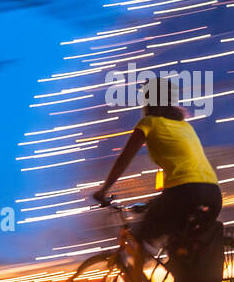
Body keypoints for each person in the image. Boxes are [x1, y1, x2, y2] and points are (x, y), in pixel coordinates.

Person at [92, 103, 221, 247]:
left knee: (142, 237)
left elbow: (124, 159)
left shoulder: (149, 122)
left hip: (185, 191)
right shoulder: (184, 126)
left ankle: (139, 264)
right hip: (213, 193)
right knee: (179, 243)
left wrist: (103, 191)